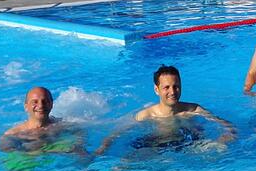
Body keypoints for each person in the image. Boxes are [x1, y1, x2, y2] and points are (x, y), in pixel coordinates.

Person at [96, 65, 235, 154]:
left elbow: (226, 125)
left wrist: (225, 136)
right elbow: (117, 133)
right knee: (124, 164)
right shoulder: (146, 115)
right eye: (166, 87)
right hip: (154, 145)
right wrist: (102, 148)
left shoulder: (193, 109)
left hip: (187, 143)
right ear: (156, 89)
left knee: (219, 150)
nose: (172, 92)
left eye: (176, 86)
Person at [0, 87, 86, 171]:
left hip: (55, 154)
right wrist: (45, 151)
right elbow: (6, 151)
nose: (40, 105)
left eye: (44, 101)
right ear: (26, 107)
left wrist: (77, 145)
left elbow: (80, 135)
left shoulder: (61, 125)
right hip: (31, 159)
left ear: (51, 104)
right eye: (35, 102)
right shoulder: (13, 134)